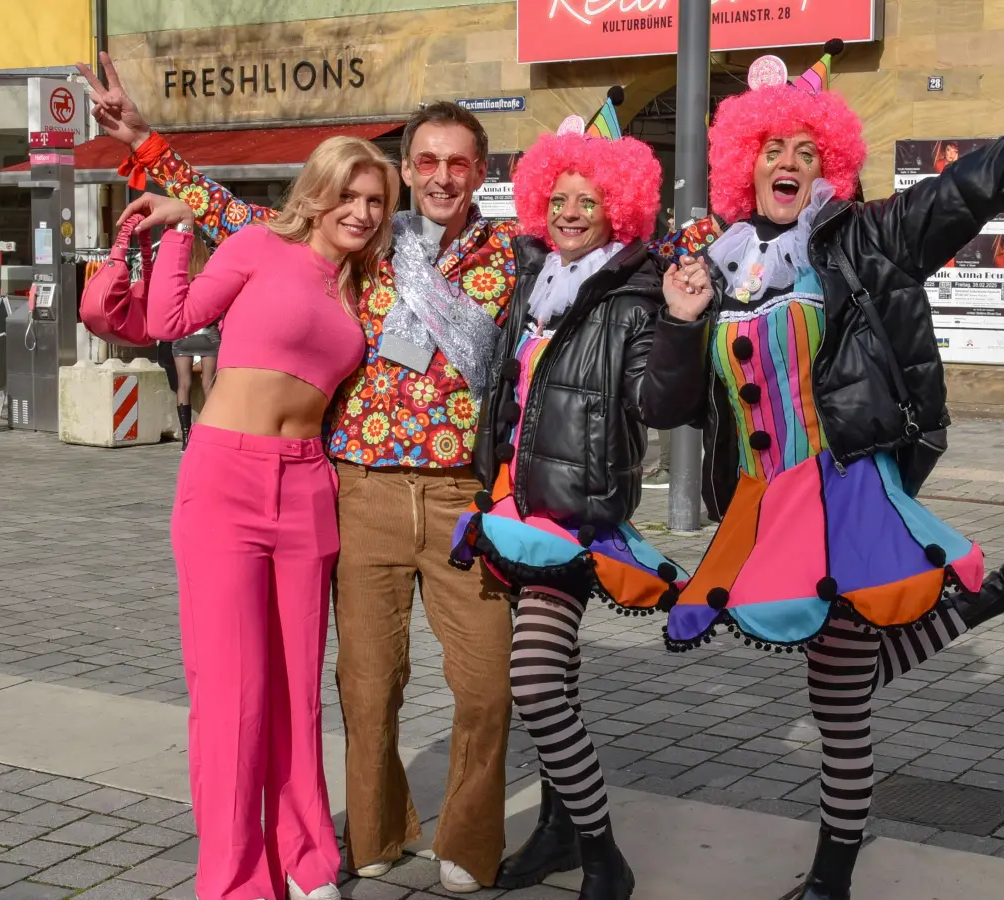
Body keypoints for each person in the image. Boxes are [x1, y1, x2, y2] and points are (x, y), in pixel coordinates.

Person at [82, 53, 718, 892]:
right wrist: (143, 145)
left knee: (488, 686)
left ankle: (466, 839)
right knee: (365, 683)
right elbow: (246, 218)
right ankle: (374, 831)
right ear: (410, 168)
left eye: (459, 163)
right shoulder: (367, 245)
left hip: (464, 499)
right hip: (357, 487)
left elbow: (600, 253)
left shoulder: (517, 259)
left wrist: (695, 270)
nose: (442, 177)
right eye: (426, 162)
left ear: (479, 172)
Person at [646, 50, 1004, 900]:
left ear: (830, 165)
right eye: (772, 147)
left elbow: (974, 188)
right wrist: (678, 321)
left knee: (838, 702)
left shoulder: (862, 239)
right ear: (745, 162)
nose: (787, 162)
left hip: (844, 486)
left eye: (806, 151)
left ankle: (830, 883)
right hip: (761, 503)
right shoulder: (716, 264)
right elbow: (667, 405)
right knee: (833, 678)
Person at [447, 112, 707, 900]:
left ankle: (603, 856)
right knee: (550, 680)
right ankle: (560, 830)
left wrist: (684, 325)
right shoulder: (533, 284)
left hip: (568, 522)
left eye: (587, 200)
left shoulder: (630, 299)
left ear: (617, 210)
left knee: (532, 682)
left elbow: (660, 406)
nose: (568, 211)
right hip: (506, 509)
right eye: (558, 196)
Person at [143, 136, 399, 900]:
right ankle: (236, 880)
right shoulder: (257, 242)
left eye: (375, 200)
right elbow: (171, 316)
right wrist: (183, 227)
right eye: (348, 195)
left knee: (296, 690)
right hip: (226, 477)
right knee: (232, 693)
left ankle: (307, 853)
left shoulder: (364, 286)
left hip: (309, 485)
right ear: (316, 192)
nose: (360, 211)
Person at [170, 237, 220, 449]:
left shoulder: (179, 276)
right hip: (209, 333)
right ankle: (211, 435)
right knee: (209, 385)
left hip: (184, 334)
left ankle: (185, 437)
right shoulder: (210, 274)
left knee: (184, 384)